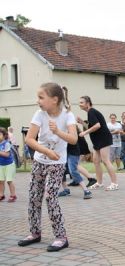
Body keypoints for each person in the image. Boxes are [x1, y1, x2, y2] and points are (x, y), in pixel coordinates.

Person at [18, 83, 77, 252]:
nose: (38, 101)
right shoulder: (39, 114)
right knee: (34, 197)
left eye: (41, 97)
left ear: (54, 99)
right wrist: (46, 152)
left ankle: (61, 237)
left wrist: (58, 131)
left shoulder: (67, 116)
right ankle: (35, 233)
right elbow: (29, 139)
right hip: (39, 161)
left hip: (57, 164)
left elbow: (73, 139)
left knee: (50, 197)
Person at [77, 96, 118, 191]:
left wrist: (84, 133)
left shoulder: (91, 111)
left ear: (88, 103)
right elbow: (91, 126)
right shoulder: (90, 113)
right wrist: (82, 122)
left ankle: (114, 183)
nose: (80, 104)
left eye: (82, 102)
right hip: (97, 140)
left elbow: (97, 125)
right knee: (96, 161)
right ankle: (99, 183)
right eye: (79, 102)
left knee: (105, 160)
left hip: (103, 138)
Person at [58, 126, 93, 200]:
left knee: (73, 171)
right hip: (63, 153)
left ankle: (86, 191)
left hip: (73, 153)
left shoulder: (72, 130)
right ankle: (66, 190)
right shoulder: (61, 128)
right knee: (61, 170)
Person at [0, 127, 17, 202]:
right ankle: (1, 195)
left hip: (9, 165)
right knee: (1, 181)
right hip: (1, 165)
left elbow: (7, 155)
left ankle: (13, 195)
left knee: (9, 180)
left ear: (4, 135)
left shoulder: (6, 143)